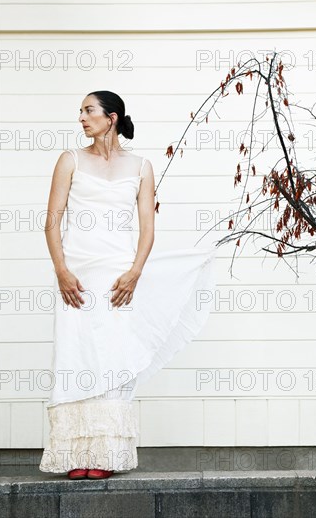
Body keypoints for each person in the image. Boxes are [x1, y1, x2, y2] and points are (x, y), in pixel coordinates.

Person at [39, 91, 217, 480]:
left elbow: (147, 228)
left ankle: (105, 454)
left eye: (89, 111)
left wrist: (135, 272)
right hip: (77, 275)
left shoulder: (141, 166)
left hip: (119, 277)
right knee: (76, 354)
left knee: (111, 356)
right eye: (81, 112)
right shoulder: (69, 160)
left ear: (112, 117)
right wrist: (61, 271)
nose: (82, 118)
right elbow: (52, 220)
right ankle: (76, 455)